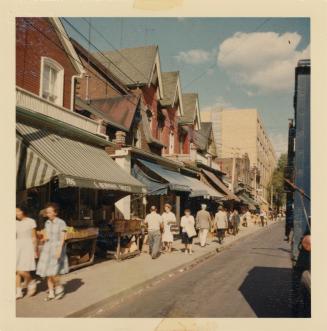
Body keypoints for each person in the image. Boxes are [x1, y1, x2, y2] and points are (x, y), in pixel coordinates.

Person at [36, 203, 69, 301]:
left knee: (53, 272)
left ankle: (59, 287)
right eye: (47, 212)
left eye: (50, 212)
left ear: (55, 213)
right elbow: (46, 237)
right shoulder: (47, 223)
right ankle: (51, 293)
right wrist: (40, 237)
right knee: (48, 272)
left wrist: (59, 250)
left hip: (57, 248)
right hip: (48, 248)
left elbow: (62, 237)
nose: (48, 214)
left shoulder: (61, 222)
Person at [16, 204, 38, 299]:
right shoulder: (15, 222)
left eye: (18, 211)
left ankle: (31, 281)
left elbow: (34, 237)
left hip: (27, 247)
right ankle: (18, 292)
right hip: (17, 246)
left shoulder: (31, 221)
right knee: (16, 271)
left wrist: (35, 250)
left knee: (22, 270)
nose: (16, 213)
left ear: (23, 211)